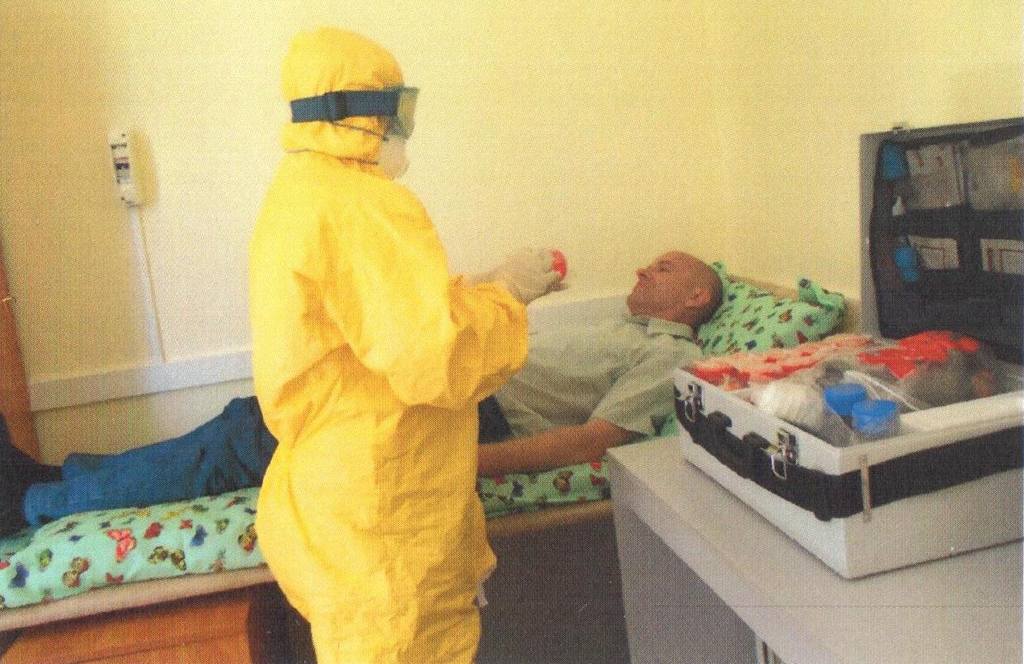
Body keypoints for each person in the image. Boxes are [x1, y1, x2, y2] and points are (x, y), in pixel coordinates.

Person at [0, 250, 719, 533]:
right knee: (249, 424)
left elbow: (594, 441)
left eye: (662, 269)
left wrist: (460, 461)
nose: (640, 271)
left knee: (250, 442)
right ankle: (55, 479)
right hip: (447, 391)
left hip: (472, 419)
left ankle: (34, 502)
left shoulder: (670, 357)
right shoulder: (618, 328)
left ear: (694, 298)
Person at [247, 28, 561, 664]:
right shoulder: (364, 205)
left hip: (336, 490)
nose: (401, 128)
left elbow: (377, 319)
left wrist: (477, 288)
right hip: (384, 503)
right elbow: (436, 360)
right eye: (396, 110)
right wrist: (508, 296)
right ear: (361, 113)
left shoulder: (300, 190)